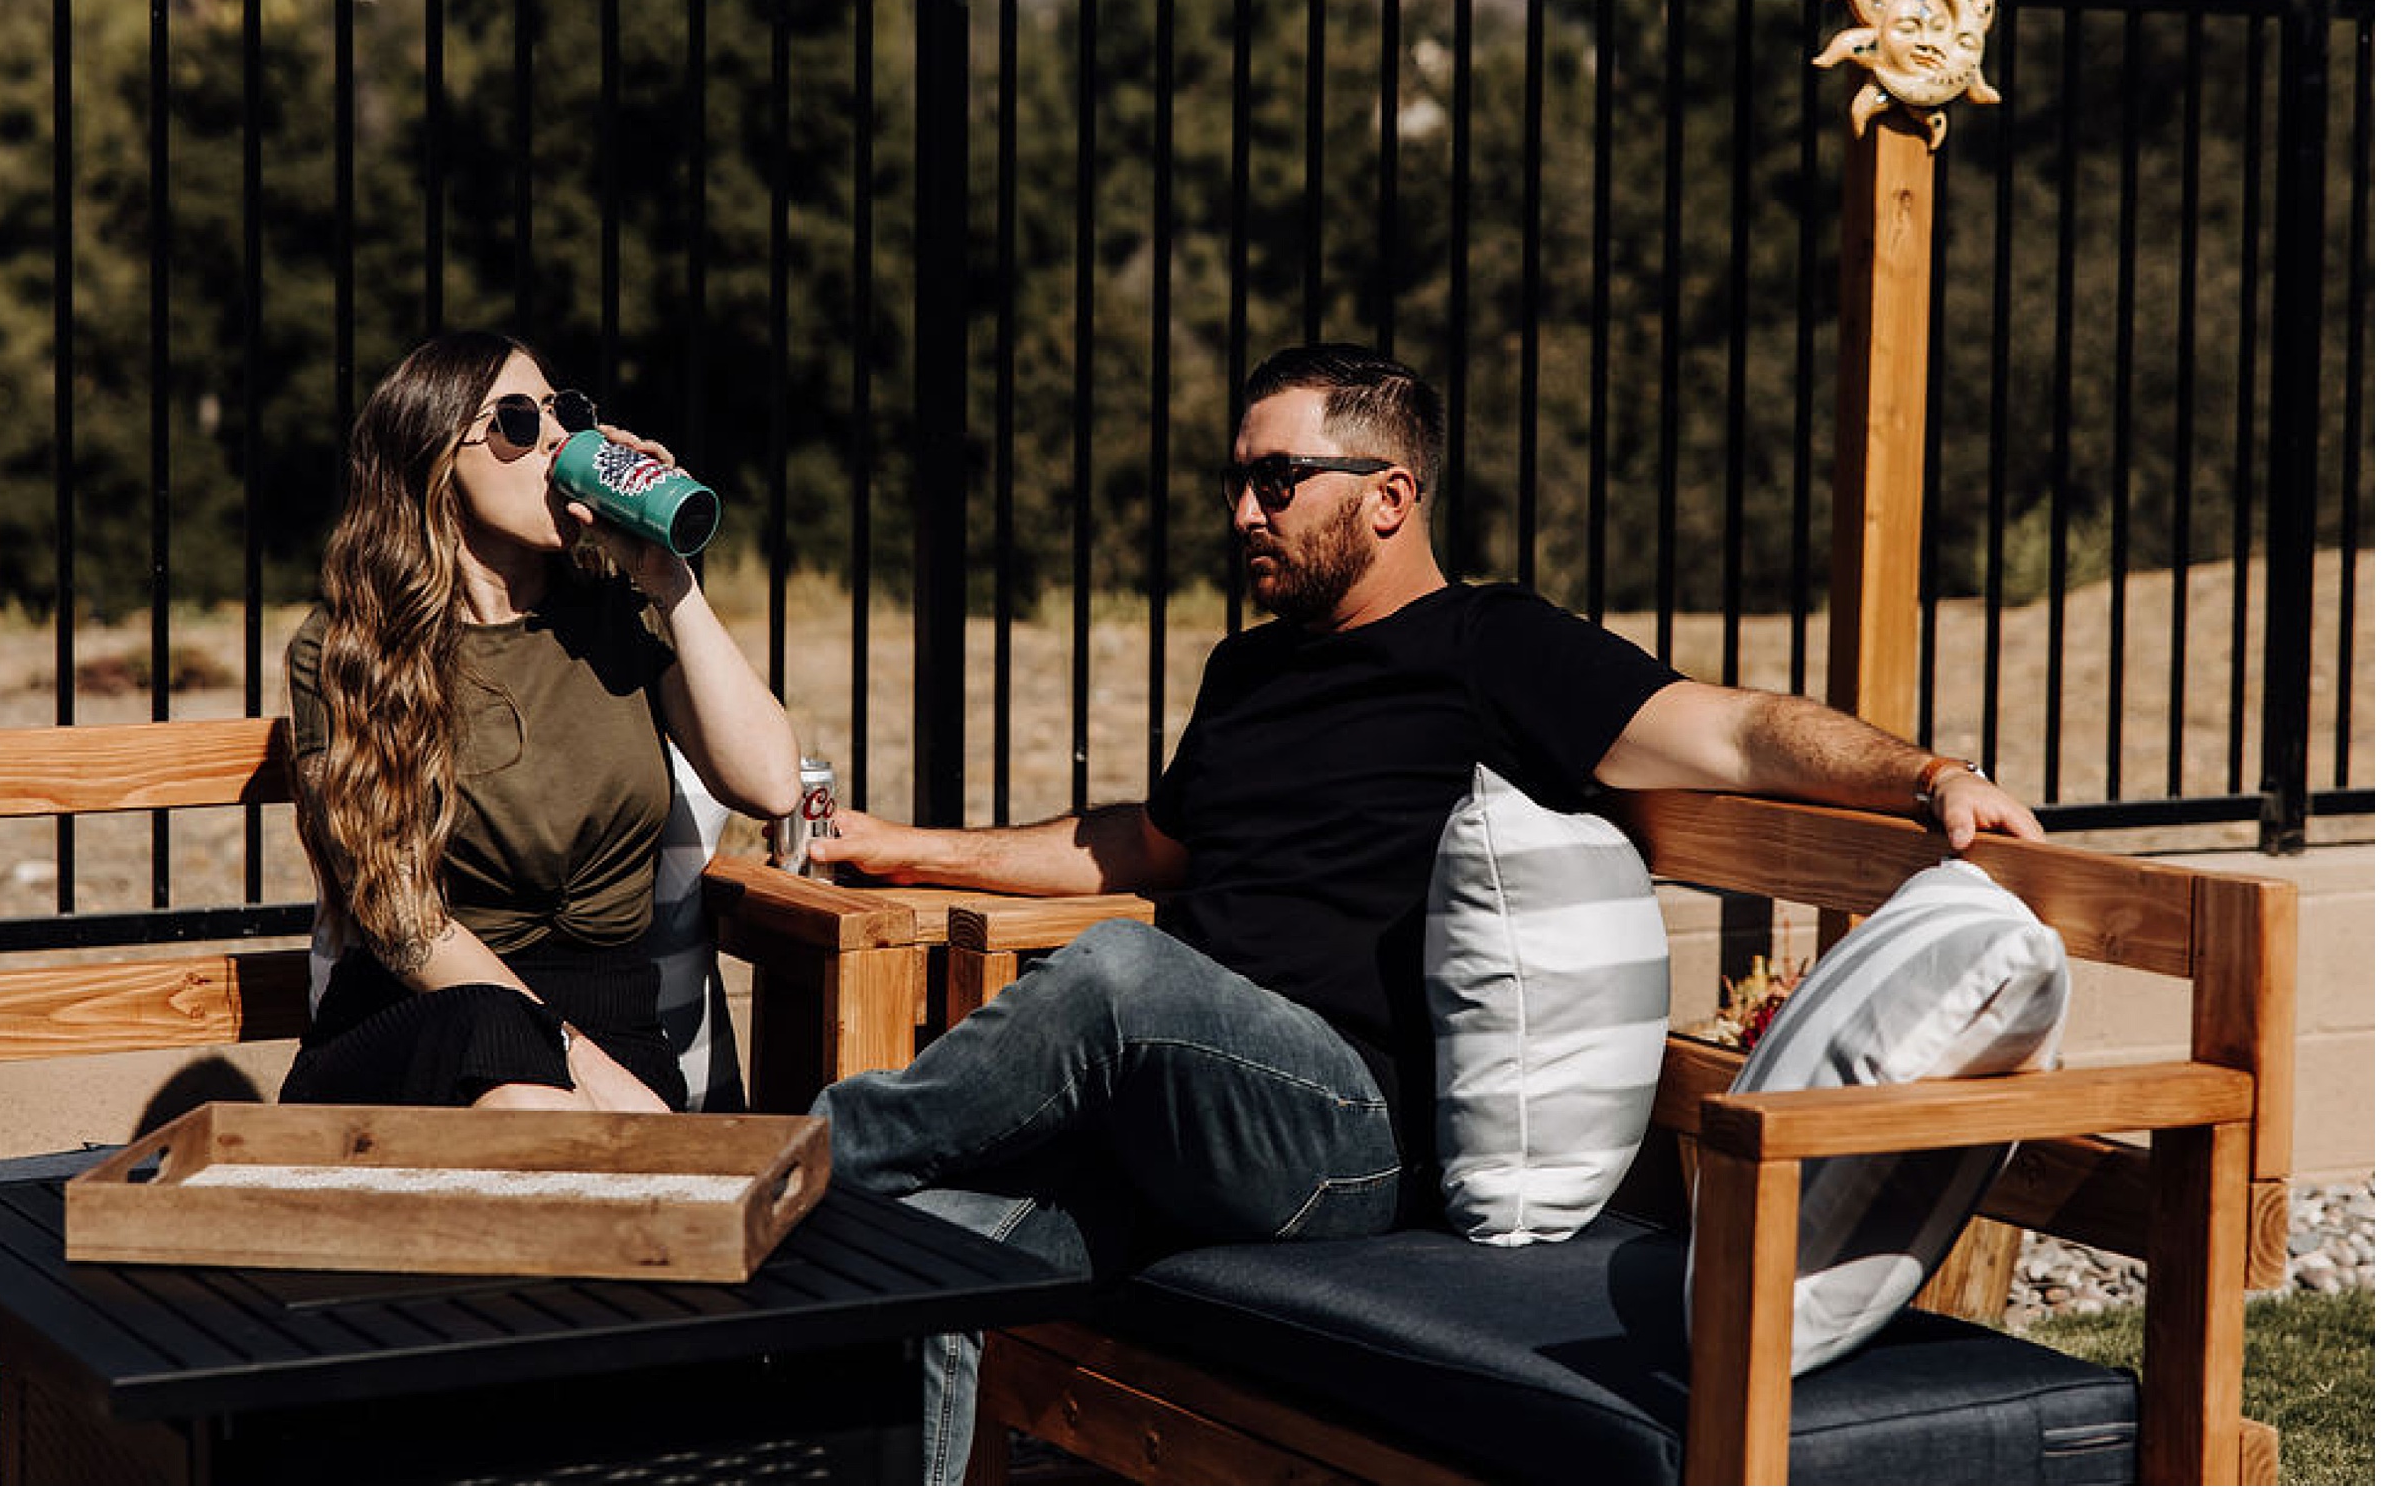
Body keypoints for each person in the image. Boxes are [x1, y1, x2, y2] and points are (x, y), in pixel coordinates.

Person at [804, 341, 2044, 1480]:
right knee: (933, 1257)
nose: (1243, 513)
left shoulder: (1494, 646)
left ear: (1389, 496)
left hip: (1345, 1138)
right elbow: (1142, 844)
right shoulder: (1246, 669)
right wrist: (905, 849)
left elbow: (1735, 729)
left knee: (1117, 973)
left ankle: (790, 1161)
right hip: (1188, 1117)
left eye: (1277, 481)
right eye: (1237, 482)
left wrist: (1931, 775)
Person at [280, 330, 800, 1114]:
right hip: (426, 1021)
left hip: (616, 1030)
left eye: (566, 412)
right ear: (435, 462)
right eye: (518, 421)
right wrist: (576, 1063)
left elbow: (771, 784)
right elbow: (401, 917)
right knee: (517, 1072)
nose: (558, 437)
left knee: (536, 1095)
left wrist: (670, 581)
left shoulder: (620, 616)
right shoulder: (351, 649)